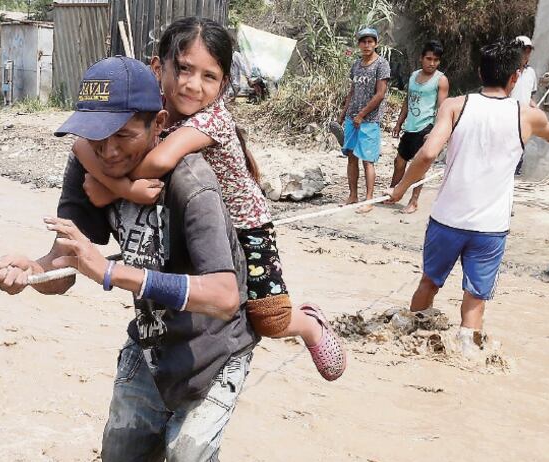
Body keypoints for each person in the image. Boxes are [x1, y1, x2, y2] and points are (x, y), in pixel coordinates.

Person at [0, 56, 258, 462]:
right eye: (96, 138)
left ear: (158, 124)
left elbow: (224, 296)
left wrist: (113, 273)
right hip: (151, 342)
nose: (109, 152)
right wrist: (31, 272)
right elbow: (65, 267)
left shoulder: (191, 182)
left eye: (124, 136)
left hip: (215, 349)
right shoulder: (86, 166)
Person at [72, 17, 346, 381]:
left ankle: (310, 324)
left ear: (224, 84)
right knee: (187, 296)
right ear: (159, 68)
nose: (192, 85)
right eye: (184, 69)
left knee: (268, 318)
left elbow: (160, 161)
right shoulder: (149, 109)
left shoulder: (212, 119)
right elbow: (80, 144)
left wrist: (117, 188)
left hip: (246, 227)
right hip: (196, 226)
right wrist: (114, 179)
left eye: (209, 76)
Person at [386, 41, 549, 353]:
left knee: (429, 283)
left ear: (479, 72)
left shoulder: (455, 106)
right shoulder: (528, 115)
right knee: (475, 298)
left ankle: (407, 341)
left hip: (447, 220)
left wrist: (401, 188)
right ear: (515, 77)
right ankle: (468, 355)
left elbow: (427, 154)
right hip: (490, 227)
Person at [390, 40, 448, 215]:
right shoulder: (414, 76)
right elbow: (407, 101)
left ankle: (413, 201)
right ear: (421, 58)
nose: (432, 63)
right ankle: (392, 193)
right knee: (399, 162)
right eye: (429, 59)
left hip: (425, 127)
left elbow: (442, 108)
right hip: (410, 127)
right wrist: (399, 123)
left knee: (419, 166)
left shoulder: (441, 80)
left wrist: (435, 132)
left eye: (436, 60)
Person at [338, 27, 391, 214]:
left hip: (369, 120)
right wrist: (343, 113)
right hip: (352, 118)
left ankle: (369, 200)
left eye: (370, 42)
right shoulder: (356, 65)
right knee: (351, 157)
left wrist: (362, 115)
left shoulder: (381, 64)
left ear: (376, 43)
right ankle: (353, 196)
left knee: (368, 160)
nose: (367, 45)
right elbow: (352, 91)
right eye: (363, 42)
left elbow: (380, 94)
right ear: (359, 44)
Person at [511, 36, 538, 175]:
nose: (526, 54)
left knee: (518, 147)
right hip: (507, 115)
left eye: (528, 51)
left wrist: (535, 108)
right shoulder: (507, 70)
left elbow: (530, 96)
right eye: (523, 50)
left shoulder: (531, 73)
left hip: (523, 118)